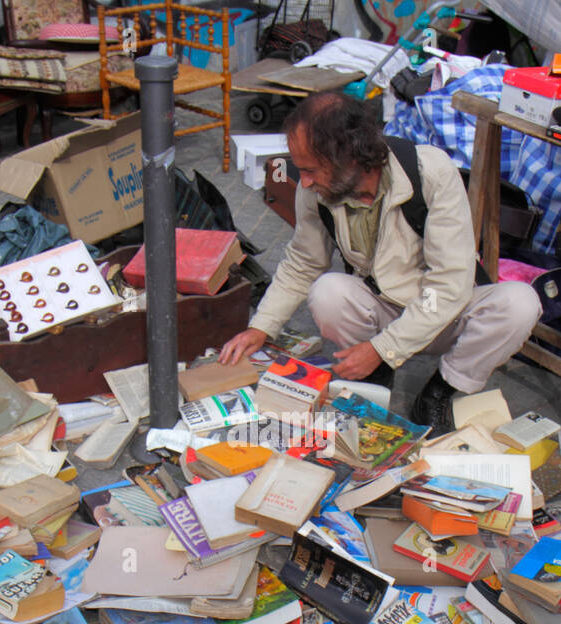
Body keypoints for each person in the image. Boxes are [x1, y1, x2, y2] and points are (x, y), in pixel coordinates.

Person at [218, 91, 542, 434]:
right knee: (328, 291)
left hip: (444, 310)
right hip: (384, 307)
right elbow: (302, 263)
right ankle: (376, 379)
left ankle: (441, 391)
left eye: (311, 169)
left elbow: (449, 286)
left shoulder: (429, 172)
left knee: (519, 304)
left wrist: (383, 348)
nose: (306, 181)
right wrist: (261, 326)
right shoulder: (314, 192)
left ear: (348, 156)